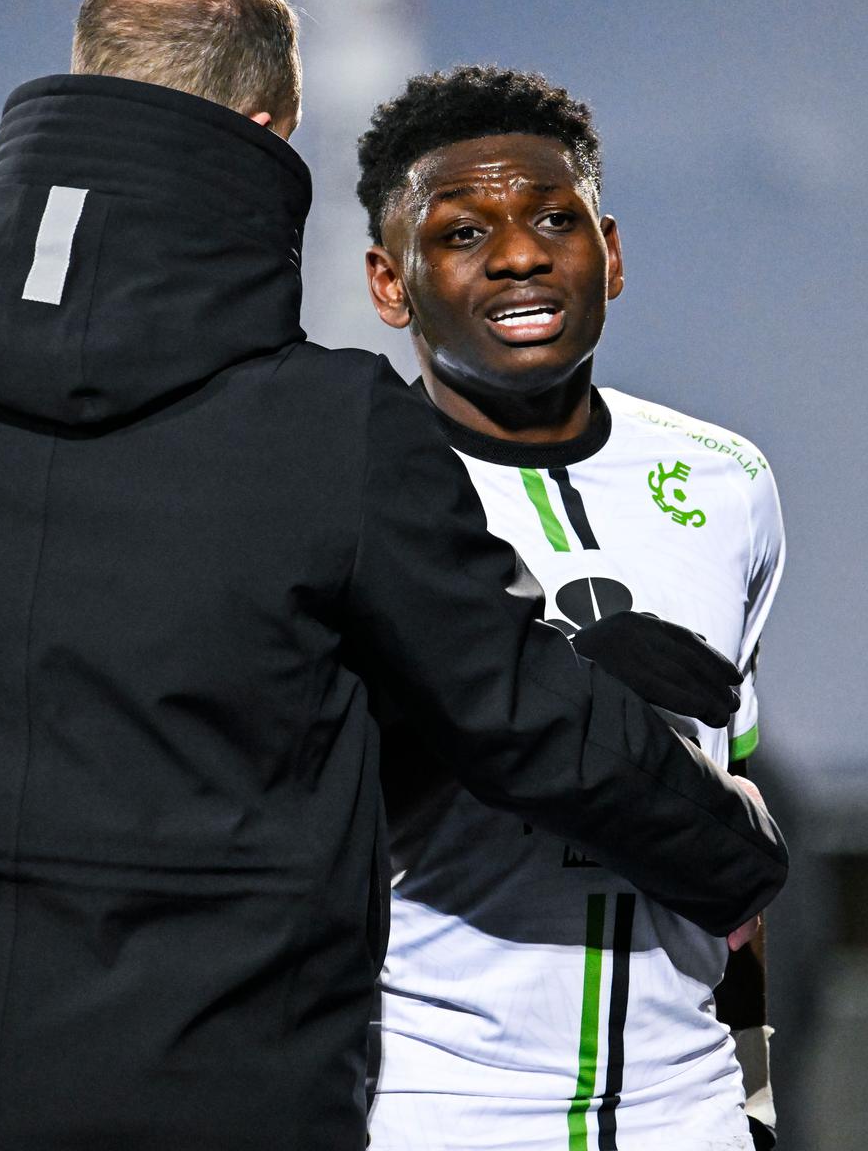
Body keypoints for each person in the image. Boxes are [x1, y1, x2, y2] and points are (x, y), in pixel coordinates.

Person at [0, 0, 786, 1151]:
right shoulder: (331, 429)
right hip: (210, 1084)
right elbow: (525, 717)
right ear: (268, 128)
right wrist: (734, 848)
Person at [355, 66, 787, 1151]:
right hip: (427, 1105)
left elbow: (730, 819)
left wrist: (754, 1095)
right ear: (388, 281)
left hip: (684, 1108)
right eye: (462, 231)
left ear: (615, 251)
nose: (519, 253)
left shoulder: (728, 479)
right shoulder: (343, 495)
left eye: (557, 218)